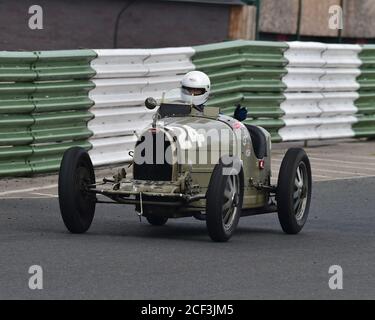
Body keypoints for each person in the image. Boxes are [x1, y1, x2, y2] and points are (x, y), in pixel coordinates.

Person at [180, 71, 248, 122]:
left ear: (206, 91)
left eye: (196, 90)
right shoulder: (174, 108)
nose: (192, 93)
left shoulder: (209, 111)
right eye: (189, 90)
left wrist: (236, 120)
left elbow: (226, 122)